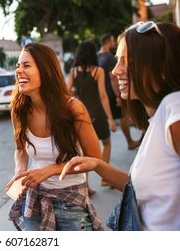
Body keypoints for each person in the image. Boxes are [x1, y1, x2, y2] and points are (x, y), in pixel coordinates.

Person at [60, 21, 180, 230]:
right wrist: (97, 165)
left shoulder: (174, 109)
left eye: (127, 60)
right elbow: (137, 189)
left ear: (160, 66)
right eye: (118, 60)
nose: (116, 70)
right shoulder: (159, 118)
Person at [6, 42, 103, 231]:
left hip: (71, 202)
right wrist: (19, 171)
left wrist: (52, 169)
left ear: (46, 70)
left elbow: (95, 159)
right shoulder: (19, 110)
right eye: (18, 66)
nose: (19, 71)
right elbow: (20, 149)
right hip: (35, 200)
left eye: (26, 65)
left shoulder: (73, 108)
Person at [66, 40, 117, 189]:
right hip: (98, 114)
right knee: (106, 143)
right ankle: (105, 178)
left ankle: (86, 186)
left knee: (84, 151)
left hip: (81, 116)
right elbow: (102, 96)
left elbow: (67, 91)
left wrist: (77, 95)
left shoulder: (74, 71)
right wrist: (111, 119)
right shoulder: (98, 71)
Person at [98, 33, 140, 150]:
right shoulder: (109, 57)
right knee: (123, 117)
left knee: (112, 119)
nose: (114, 43)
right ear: (107, 42)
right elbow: (113, 78)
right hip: (113, 93)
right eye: (112, 41)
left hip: (102, 94)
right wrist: (118, 96)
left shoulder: (97, 56)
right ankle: (130, 141)